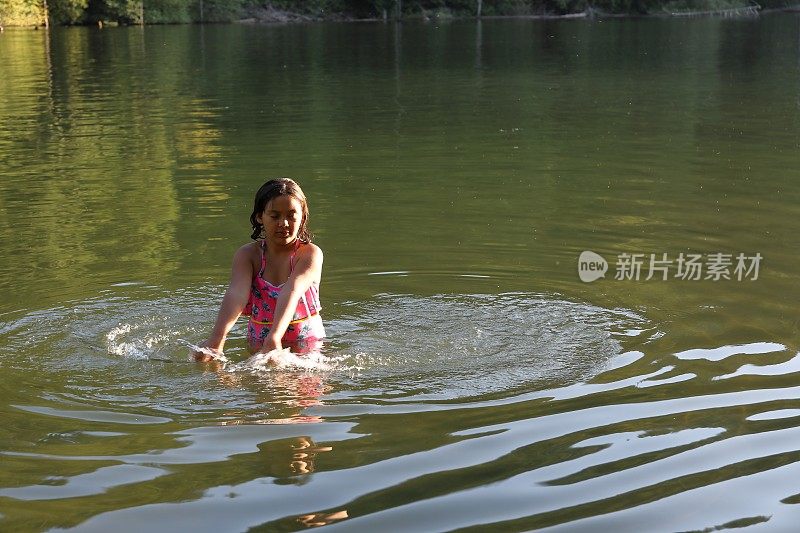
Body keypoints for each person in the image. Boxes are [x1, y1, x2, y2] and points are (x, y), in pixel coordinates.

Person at [194, 178, 325, 362]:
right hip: (259, 340)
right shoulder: (248, 255)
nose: (284, 223)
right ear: (259, 216)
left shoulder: (309, 254)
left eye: (291, 215)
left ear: (302, 216)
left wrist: (275, 336)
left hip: (306, 342)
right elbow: (236, 294)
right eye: (275, 216)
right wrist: (216, 339)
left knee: (298, 389)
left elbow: (292, 290)